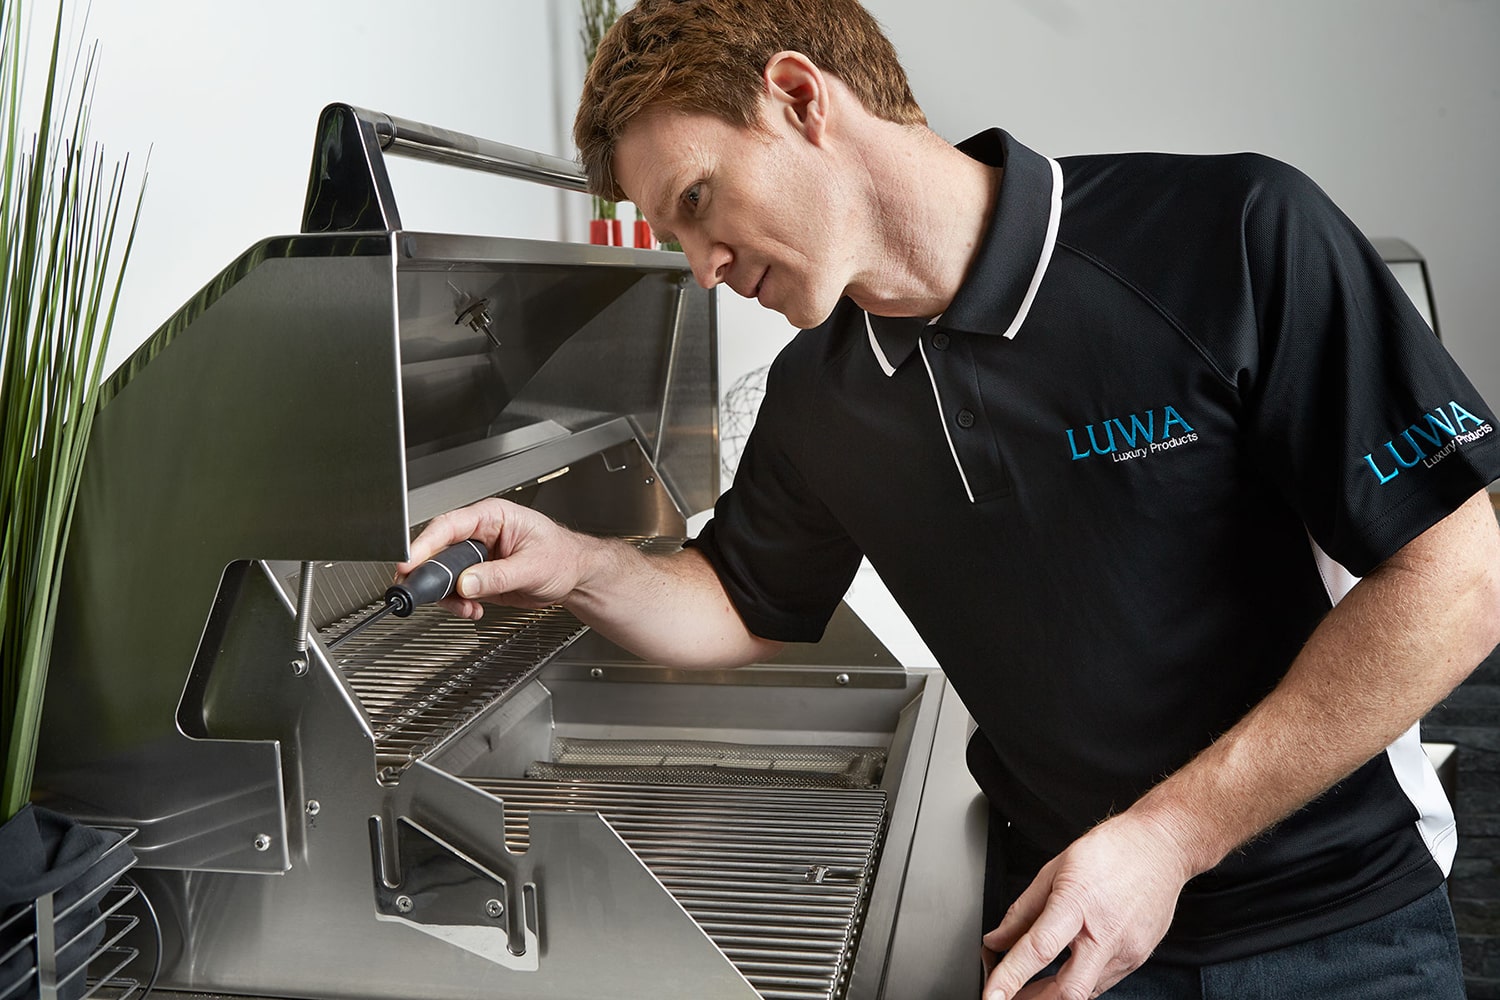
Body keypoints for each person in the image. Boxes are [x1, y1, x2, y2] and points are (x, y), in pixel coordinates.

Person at [400, 1, 1500, 996]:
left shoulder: (1233, 233)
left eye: (697, 201)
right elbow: (734, 599)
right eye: (674, 235)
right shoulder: (818, 394)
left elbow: (1464, 576)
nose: (701, 265)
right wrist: (575, 562)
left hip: (1333, 930)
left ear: (797, 98)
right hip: (1062, 934)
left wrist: (1167, 839)